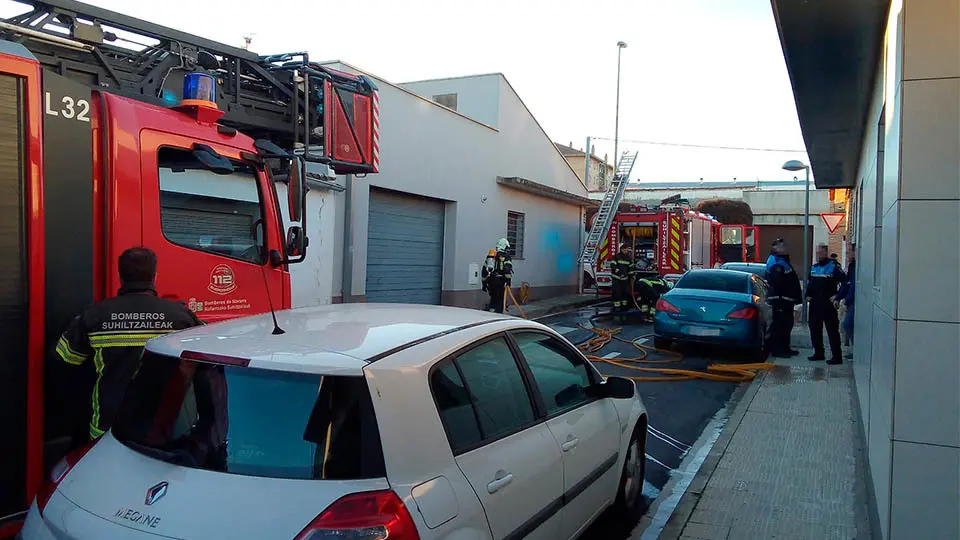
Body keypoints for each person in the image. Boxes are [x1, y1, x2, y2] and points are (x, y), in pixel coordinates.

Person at [55, 247, 203, 440]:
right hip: (165, 428)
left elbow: (66, 358)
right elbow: (206, 358)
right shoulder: (181, 316)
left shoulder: (95, 314)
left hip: (109, 428)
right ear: (154, 277)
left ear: (120, 276)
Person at [806, 244, 847, 364]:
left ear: (825, 252)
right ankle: (818, 353)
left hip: (828, 304)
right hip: (815, 303)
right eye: (817, 253)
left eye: (820, 253)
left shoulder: (833, 266)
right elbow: (810, 283)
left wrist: (838, 297)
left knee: (832, 331)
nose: (818, 255)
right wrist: (807, 295)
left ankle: (836, 356)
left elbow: (845, 282)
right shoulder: (814, 267)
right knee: (814, 329)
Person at [765, 238, 802, 357]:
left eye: (784, 246)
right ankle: (778, 350)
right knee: (780, 325)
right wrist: (781, 297)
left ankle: (785, 348)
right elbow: (778, 281)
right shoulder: (776, 262)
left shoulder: (782, 260)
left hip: (785, 300)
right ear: (775, 248)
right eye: (781, 246)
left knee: (787, 324)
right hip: (780, 300)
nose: (784, 248)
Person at [481, 238, 513, 313]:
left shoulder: (491, 256)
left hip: (491, 281)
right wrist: (508, 282)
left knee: (493, 299)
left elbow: (484, 271)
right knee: (500, 301)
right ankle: (498, 317)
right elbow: (507, 270)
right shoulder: (506, 257)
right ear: (504, 246)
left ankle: (491, 315)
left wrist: (484, 284)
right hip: (500, 282)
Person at [835, 250, 856, 359]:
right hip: (851, 300)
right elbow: (846, 284)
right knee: (848, 324)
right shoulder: (852, 266)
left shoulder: (855, 267)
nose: (847, 255)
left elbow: (852, 285)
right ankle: (855, 349)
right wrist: (838, 297)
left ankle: (856, 349)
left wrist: (846, 300)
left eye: (849, 252)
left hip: (854, 301)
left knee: (847, 324)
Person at [610, 243, 634, 316]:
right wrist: (617, 270)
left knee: (625, 293)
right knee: (617, 293)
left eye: (627, 249)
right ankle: (617, 307)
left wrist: (632, 276)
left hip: (625, 279)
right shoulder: (617, 257)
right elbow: (612, 265)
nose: (626, 250)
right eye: (625, 249)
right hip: (616, 278)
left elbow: (631, 268)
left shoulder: (629, 258)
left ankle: (624, 306)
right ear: (621, 249)